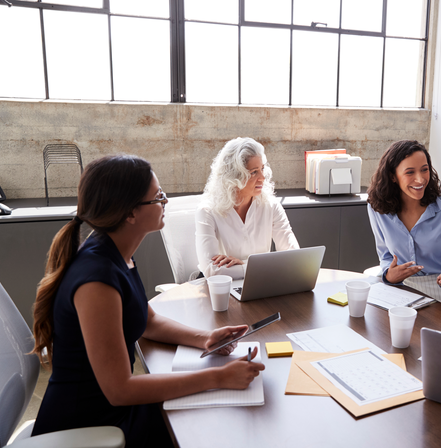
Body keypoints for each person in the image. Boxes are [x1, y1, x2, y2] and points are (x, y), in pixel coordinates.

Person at [31, 155, 265, 447]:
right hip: (90, 424)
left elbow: (146, 320)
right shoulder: (96, 280)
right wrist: (217, 378)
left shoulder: (117, 254)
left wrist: (205, 338)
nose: (165, 201)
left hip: (112, 410)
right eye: (157, 197)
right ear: (130, 213)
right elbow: (120, 390)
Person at [367, 140, 441, 309]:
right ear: (393, 176)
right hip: (403, 292)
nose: (420, 179)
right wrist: (389, 275)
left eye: (424, 170)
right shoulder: (377, 210)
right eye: (410, 172)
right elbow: (386, 256)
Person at [196, 137, 299, 278]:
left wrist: (244, 265)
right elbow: (212, 271)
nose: (262, 177)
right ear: (234, 176)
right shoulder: (208, 212)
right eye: (254, 172)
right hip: (223, 291)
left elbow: (294, 257)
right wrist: (265, 267)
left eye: (262, 169)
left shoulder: (271, 206)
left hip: (261, 285)